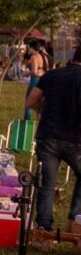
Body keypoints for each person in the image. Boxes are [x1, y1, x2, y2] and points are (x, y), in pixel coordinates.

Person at [26, 44, 81, 230]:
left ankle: (44, 228)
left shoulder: (52, 74)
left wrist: (43, 110)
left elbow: (31, 101)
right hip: (75, 139)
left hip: (48, 136)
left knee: (47, 183)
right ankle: (75, 221)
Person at [24, 40, 49, 121]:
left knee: (29, 101)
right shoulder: (40, 56)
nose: (28, 49)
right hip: (42, 78)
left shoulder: (34, 57)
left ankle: (27, 121)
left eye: (29, 48)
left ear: (32, 48)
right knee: (39, 102)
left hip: (35, 79)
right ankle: (41, 119)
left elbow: (34, 71)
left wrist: (27, 73)